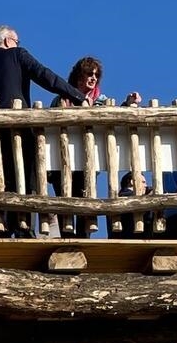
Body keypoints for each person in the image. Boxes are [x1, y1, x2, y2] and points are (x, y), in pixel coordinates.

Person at [0, 26, 86, 237]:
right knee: (23, 177)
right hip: (17, 128)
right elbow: (45, 75)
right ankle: (22, 226)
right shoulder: (17, 55)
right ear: (7, 41)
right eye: (17, 41)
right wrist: (78, 96)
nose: (18, 44)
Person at [45, 57, 143, 238]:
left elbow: (114, 114)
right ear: (79, 76)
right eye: (89, 74)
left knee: (85, 199)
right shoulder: (61, 99)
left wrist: (127, 103)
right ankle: (67, 240)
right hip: (62, 160)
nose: (93, 78)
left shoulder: (100, 100)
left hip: (88, 160)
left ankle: (82, 239)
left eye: (96, 75)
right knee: (64, 201)